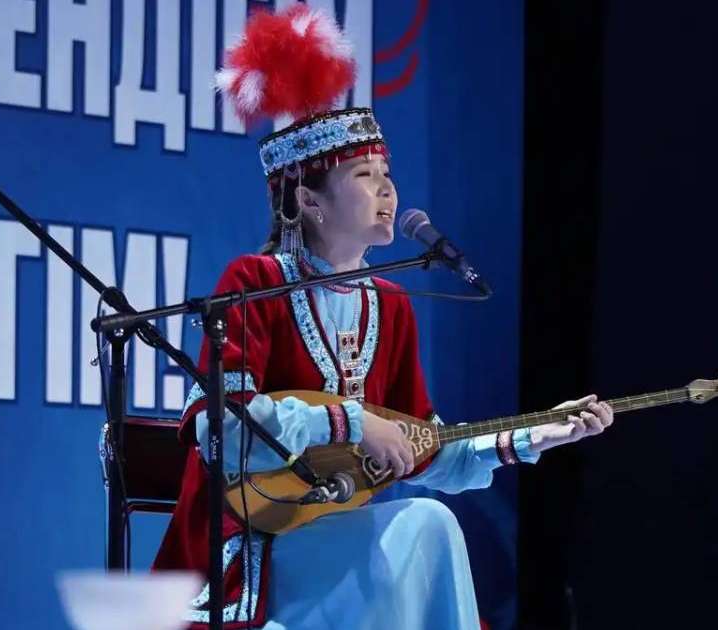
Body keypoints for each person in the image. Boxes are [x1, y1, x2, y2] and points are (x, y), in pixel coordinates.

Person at [152, 6, 614, 629]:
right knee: (423, 525)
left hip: (347, 542)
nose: (388, 191)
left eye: (388, 175)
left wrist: (533, 437)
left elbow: (422, 448)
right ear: (309, 201)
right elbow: (222, 432)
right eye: (365, 176)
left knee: (422, 525)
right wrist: (349, 421)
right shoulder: (253, 284)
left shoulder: (390, 304)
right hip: (257, 546)